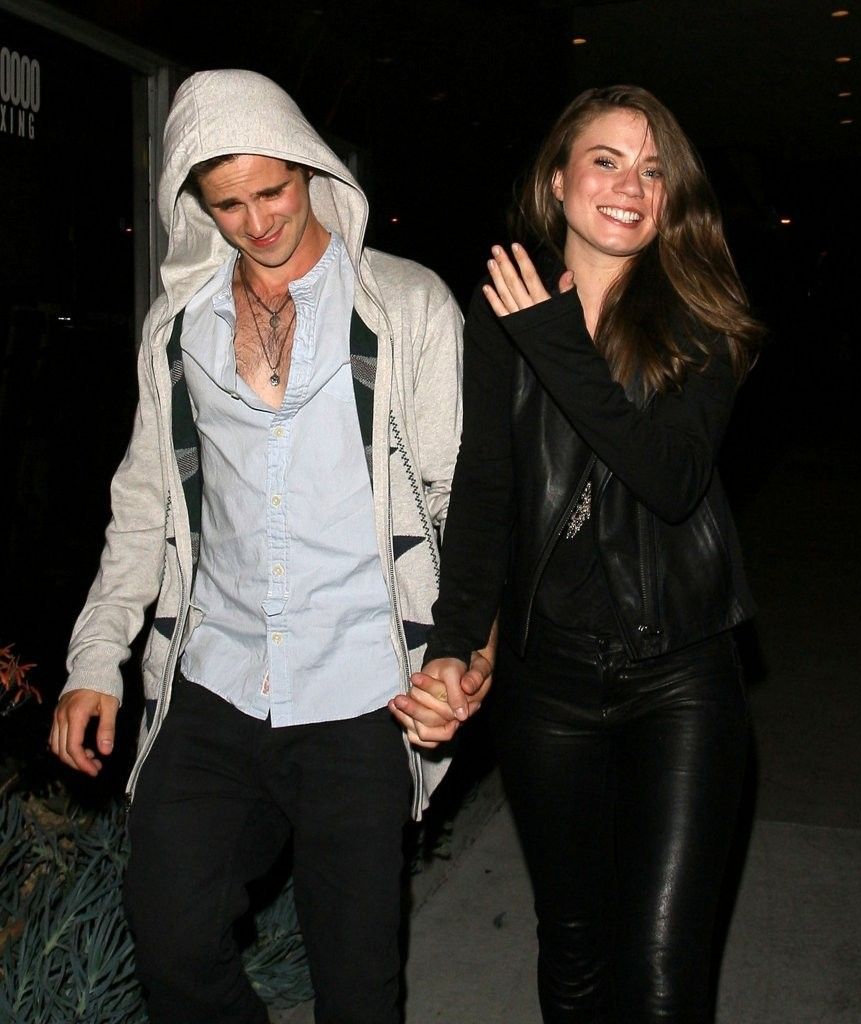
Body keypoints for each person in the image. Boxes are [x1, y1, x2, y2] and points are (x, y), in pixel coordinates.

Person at [49, 68, 490, 1024]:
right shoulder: (177, 328)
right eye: (229, 204)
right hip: (215, 683)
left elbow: (462, 501)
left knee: (357, 986)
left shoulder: (404, 305)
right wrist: (95, 657)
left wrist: (468, 650)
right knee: (171, 937)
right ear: (197, 205)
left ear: (310, 168)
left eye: (273, 192)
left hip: (361, 692)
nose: (256, 222)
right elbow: (144, 503)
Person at [390, 85, 764, 1022]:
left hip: (677, 678)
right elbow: (485, 489)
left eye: (653, 170)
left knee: (661, 979)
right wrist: (453, 643)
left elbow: (669, 477)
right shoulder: (500, 313)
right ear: (557, 180)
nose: (630, 186)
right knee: (574, 951)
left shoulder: (700, 316)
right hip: (546, 685)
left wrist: (557, 343)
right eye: (606, 161)